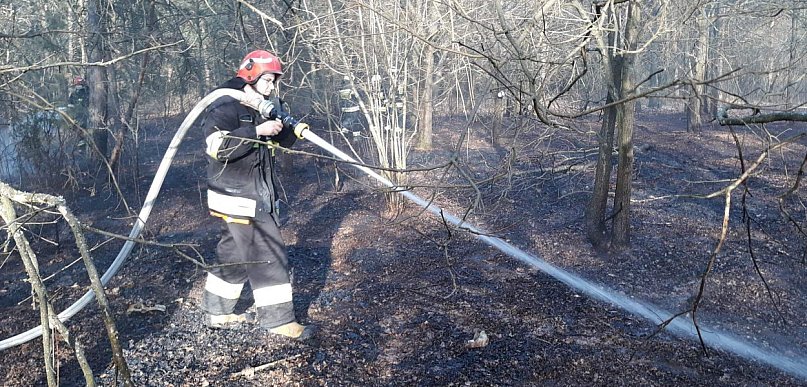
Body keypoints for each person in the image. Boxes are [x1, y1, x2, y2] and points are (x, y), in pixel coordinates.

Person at [198, 49, 314, 340]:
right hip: (239, 195)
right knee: (267, 252)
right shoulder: (225, 103)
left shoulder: (263, 105)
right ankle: (279, 320)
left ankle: (217, 311)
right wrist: (257, 131)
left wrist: (291, 130)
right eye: (268, 80)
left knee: (234, 253)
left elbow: (279, 141)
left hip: (249, 193)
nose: (272, 87)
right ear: (250, 75)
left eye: (274, 81)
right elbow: (217, 148)